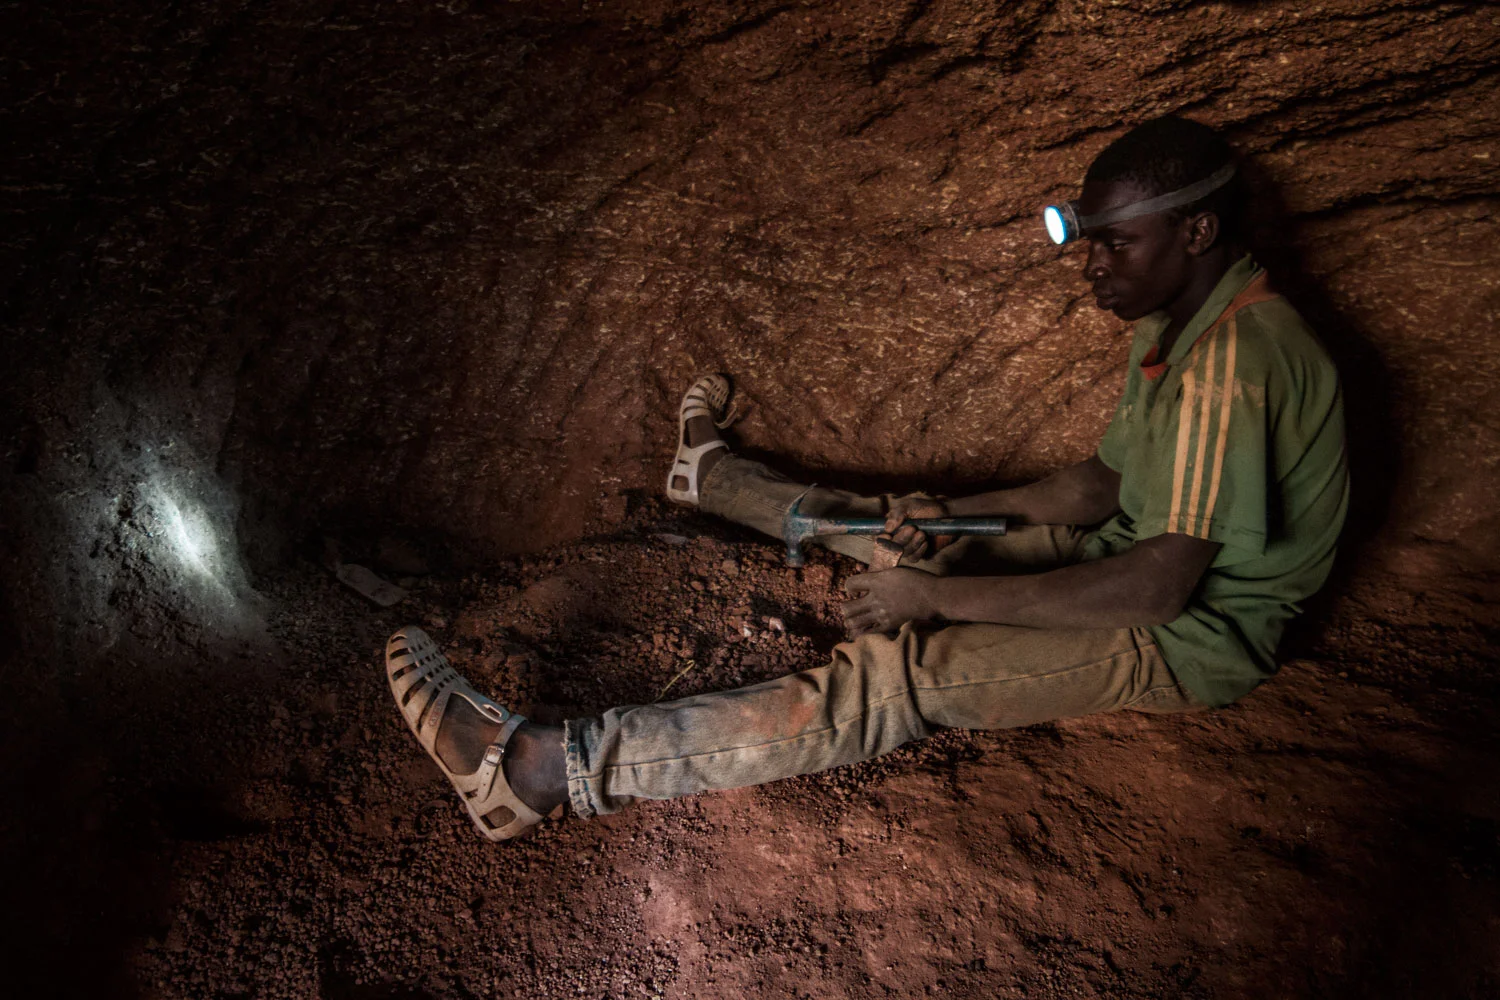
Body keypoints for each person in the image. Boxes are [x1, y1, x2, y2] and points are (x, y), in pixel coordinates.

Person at [383, 115, 1349, 841]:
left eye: (1116, 241)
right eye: (1085, 239)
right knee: (899, 527)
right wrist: (944, 524)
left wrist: (935, 596)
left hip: (1188, 636)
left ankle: (543, 773)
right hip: (1121, 547)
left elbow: (1157, 587)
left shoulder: (1239, 358)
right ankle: (711, 479)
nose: (1091, 265)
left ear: (1197, 231)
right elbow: (1101, 484)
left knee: (896, 677)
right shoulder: (1177, 326)